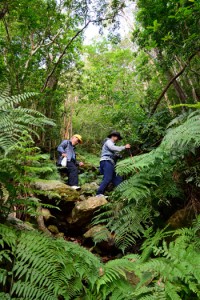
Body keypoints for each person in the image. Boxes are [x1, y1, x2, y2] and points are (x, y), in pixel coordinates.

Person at [96, 131, 131, 197]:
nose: (118, 140)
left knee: (118, 178)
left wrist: (118, 156)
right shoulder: (109, 141)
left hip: (111, 163)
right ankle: (99, 194)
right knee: (107, 178)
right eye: (117, 138)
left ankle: (122, 194)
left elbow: (114, 152)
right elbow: (112, 148)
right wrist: (124, 147)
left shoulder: (112, 144)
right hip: (106, 161)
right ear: (113, 136)